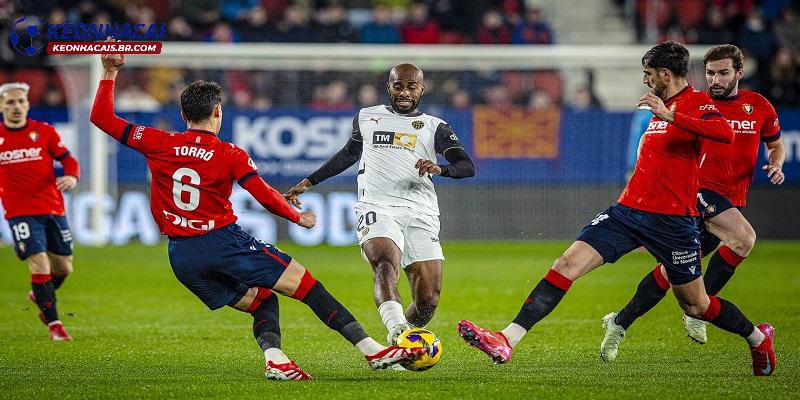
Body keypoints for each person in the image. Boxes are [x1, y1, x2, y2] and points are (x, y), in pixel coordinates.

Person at [89, 42, 424, 381]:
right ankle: (373, 350)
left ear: (183, 115)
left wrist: (110, 71)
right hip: (222, 243)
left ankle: (276, 359)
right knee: (308, 286)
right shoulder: (230, 153)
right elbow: (262, 194)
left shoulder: (157, 141)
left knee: (262, 301)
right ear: (217, 112)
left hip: (182, 257)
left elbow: (100, 117)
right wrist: (298, 217)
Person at [456, 41, 776, 376]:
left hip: (673, 222)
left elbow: (724, 132)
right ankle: (507, 338)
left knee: (696, 305)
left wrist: (670, 115)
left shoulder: (697, 103)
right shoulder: (658, 107)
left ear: (666, 75)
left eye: (649, 75)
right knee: (566, 263)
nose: (645, 80)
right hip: (627, 213)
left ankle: (757, 338)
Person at [601, 44, 785, 356]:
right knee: (743, 239)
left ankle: (620, 321)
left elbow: (775, 143)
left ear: (739, 73)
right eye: (710, 72)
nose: (715, 79)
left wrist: (776, 163)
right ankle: (697, 312)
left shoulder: (759, 106)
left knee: (675, 269)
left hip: (731, 198)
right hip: (698, 191)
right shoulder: (695, 103)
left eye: (723, 73)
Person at [284, 64, 474, 346]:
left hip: (421, 211)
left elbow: (466, 166)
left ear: (422, 89)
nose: (405, 92)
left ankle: (401, 338)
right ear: (389, 87)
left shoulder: (435, 127)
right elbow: (349, 153)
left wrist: (440, 168)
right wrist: (310, 181)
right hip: (377, 206)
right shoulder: (367, 117)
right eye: (398, 86)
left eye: (411, 86)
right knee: (385, 265)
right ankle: (400, 333)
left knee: (428, 300)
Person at [0, 82, 79, 341]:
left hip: (53, 208)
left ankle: (41, 293)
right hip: (20, 212)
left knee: (65, 267)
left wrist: (72, 176)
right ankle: (55, 325)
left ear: (28, 104)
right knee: (39, 262)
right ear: (2, 106)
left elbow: (68, 159)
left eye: (20, 101)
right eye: (10, 102)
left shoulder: (44, 131)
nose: (16, 107)